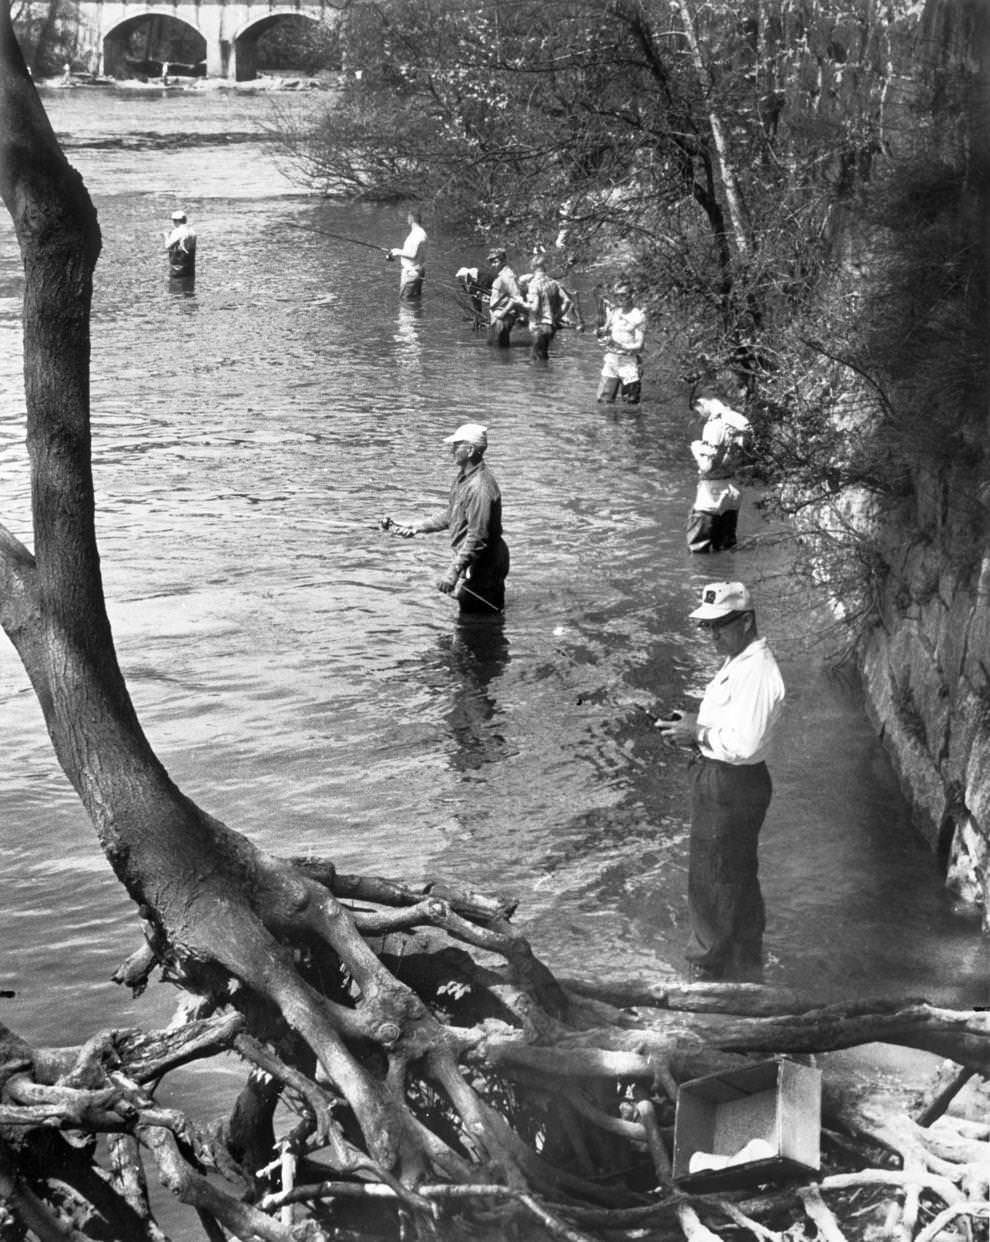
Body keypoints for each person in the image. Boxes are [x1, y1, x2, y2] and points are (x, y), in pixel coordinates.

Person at [655, 582, 785, 981]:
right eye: (707, 627)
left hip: (731, 783)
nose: (712, 635)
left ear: (746, 621)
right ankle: (745, 964)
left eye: (721, 626)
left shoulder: (758, 671)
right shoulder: (740, 660)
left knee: (713, 878)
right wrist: (696, 723)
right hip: (728, 780)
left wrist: (698, 734)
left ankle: (706, 971)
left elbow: (744, 744)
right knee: (735, 873)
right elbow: (737, 725)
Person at [387, 422, 510, 614]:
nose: (451, 451)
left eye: (456, 446)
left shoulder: (480, 488)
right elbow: (452, 514)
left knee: (475, 623)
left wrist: (452, 572)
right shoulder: (464, 478)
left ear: (470, 450)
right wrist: (417, 526)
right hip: (479, 563)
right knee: (476, 621)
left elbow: (478, 536)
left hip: (486, 566)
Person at [687, 388, 753, 554]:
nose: (700, 416)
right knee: (725, 548)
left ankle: (701, 579)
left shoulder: (714, 424)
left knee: (699, 550)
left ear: (702, 402)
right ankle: (726, 577)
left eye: (698, 411)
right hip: (734, 490)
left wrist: (696, 448)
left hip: (712, 492)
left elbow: (708, 466)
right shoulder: (741, 420)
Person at [596, 282, 646, 404]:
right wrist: (601, 333)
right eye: (617, 295)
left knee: (630, 405)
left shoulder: (638, 316)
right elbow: (605, 331)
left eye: (623, 295)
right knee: (603, 402)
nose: (620, 298)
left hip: (628, 363)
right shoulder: (613, 312)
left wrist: (619, 345)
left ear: (632, 295)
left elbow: (640, 346)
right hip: (611, 361)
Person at [524, 253, 574, 361]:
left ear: (532, 267)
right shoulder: (553, 282)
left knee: (536, 361)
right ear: (545, 266)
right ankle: (548, 376)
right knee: (544, 356)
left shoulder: (534, 284)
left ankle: (543, 377)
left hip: (538, 326)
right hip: (551, 326)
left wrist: (520, 304)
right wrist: (557, 316)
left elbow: (535, 307)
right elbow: (567, 301)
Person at [486, 248, 525, 348]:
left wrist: (503, 313)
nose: (493, 265)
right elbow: (505, 295)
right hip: (498, 318)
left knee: (499, 349)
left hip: (502, 319)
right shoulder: (502, 275)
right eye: (491, 262)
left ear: (504, 261)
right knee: (498, 351)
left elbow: (517, 298)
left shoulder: (507, 276)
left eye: (495, 262)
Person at [387, 209, 428, 299]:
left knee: (406, 303)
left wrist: (398, 252)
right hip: (419, 270)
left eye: (408, 217)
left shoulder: (415, 235)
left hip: (411, 273)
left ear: (411, 218)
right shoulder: (421, 232)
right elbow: (412, 252)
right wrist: (397, 250)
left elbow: (412, 254)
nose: (407, 219)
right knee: (415, 300)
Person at [164, 210, 196, 279]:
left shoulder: (177, 231)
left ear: (176, 221)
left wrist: (166, 236)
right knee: (188, 289)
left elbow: (167, 246)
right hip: (190, 270)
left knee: (177, 289)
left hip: (178, 270)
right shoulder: (192, 231)